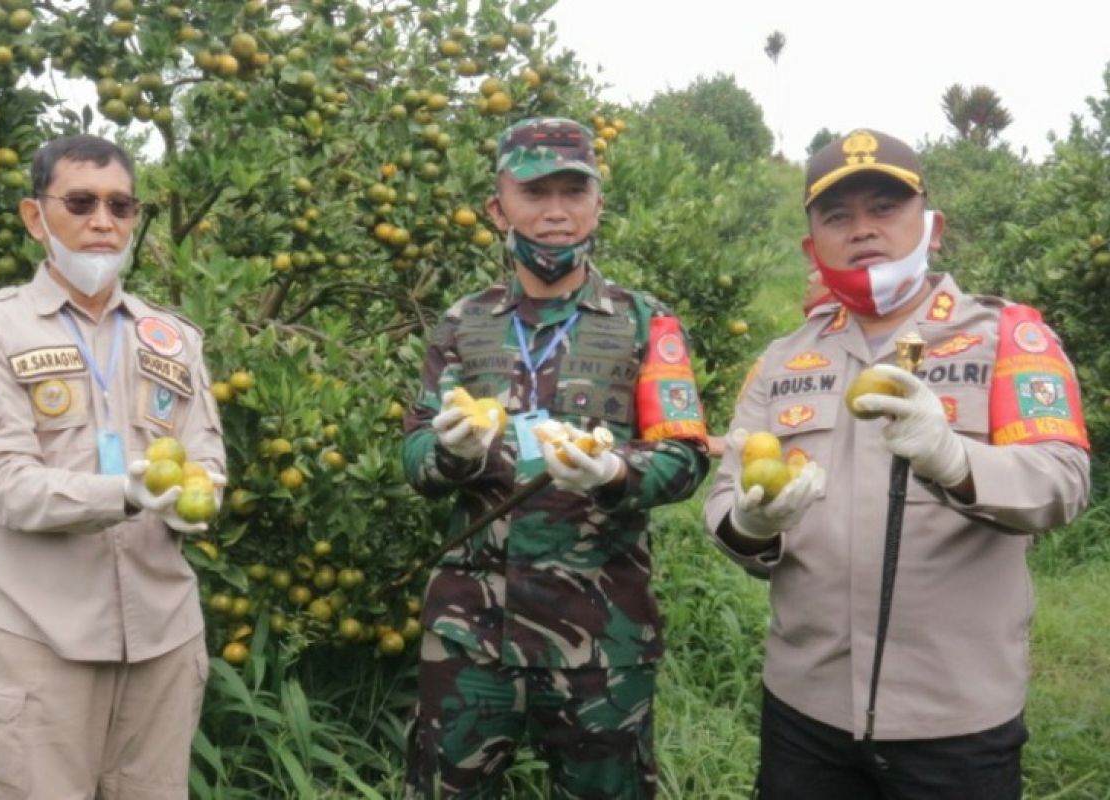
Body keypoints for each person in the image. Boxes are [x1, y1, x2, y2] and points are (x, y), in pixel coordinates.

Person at [703, 129, 1091, 799]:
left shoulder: (1008, 338)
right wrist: (750, 523)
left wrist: (952, 457)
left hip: (956, 721)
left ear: (931, 226)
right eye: (838, 216)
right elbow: (725, 501)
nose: (863, 230)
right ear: (811, 246)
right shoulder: (781, 359)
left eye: (885, 206)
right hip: (806, 710)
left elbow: (1063, 481)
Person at [402, 117, 713, 799]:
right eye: (534, 191)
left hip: (603, 638)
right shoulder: (463, 323)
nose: (555, 213)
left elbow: (686, 459)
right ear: (497, 206)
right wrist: (450, 454)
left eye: (574, 191)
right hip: (469, 636)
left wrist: (616, 472)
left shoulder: (645, 322)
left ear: (599, 202)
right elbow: (416, 457)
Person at [0, 134, 226, 798]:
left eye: (121, 206)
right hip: (41, 642)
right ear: (35, 216)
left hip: (163, 639)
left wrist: (205, 492)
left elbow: (207, 458)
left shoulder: (173, 337)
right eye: (80, 201)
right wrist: (122, 493)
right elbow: (7, 487)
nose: (103, 221)